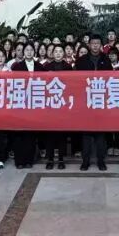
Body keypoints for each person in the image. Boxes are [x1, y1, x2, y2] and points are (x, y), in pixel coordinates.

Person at [75, 34, 113, 171]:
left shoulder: (106, 59)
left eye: (97, 43)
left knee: (100, 134)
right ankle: (85, 161)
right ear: (89, 45)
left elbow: (111, 79)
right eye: (93, 43)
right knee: (86, 133)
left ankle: (101, 161)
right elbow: (76, 80)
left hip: (101, 100)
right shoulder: (81, 61)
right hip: (86, 100)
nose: (95, 45)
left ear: (101, 45)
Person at [42, 46, 74, 170]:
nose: (58, 53)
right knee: (50, 135)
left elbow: (71, 85)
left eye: (60, 51)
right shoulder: (46, 67)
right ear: (52, 53)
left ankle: (61, 159)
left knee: (62, 135)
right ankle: (50, 159)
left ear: (64, 53)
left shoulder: (68, 67)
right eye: (56, 51)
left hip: (62, 104)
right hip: (50, 104)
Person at [10, 43, 40, 168]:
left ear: (34, 52)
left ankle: (29, 160)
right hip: (20, 103)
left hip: (34, 103)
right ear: (23, 52)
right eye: (26, 50)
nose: (29, 52)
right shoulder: (17, 67)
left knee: (31, 134)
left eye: (31, 50)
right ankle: (19, 161)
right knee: (19, 133)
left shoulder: (39, 67)